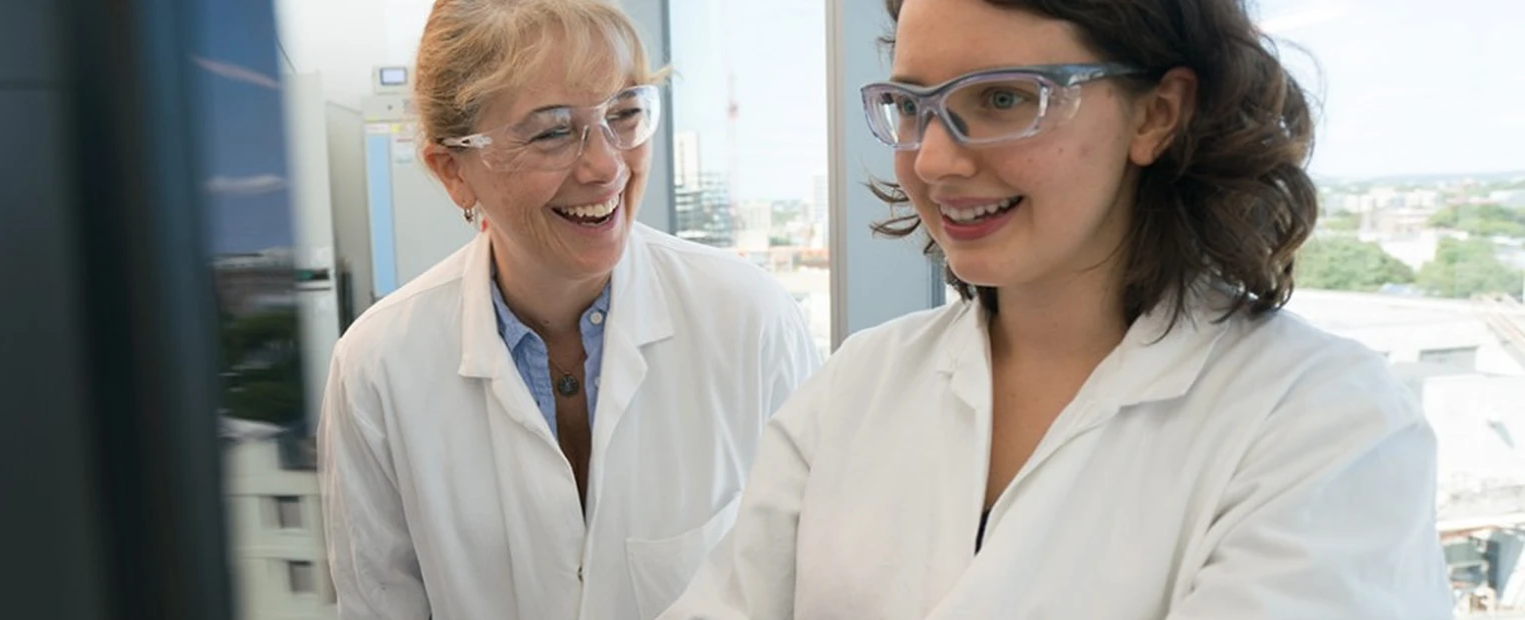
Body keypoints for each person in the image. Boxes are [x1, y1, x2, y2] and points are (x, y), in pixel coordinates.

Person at [657, 0, 1452, 618]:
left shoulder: (1324, 423)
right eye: (911, 104)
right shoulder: (856, 388)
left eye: (1002, 98)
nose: (932, 158)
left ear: (1157, 113)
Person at [315, 1, 822, 618]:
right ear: (453, 171)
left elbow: (816, 582)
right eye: (553, 131)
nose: (606, 165)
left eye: (625, 114)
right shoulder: (378, 365)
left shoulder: (750, 318)